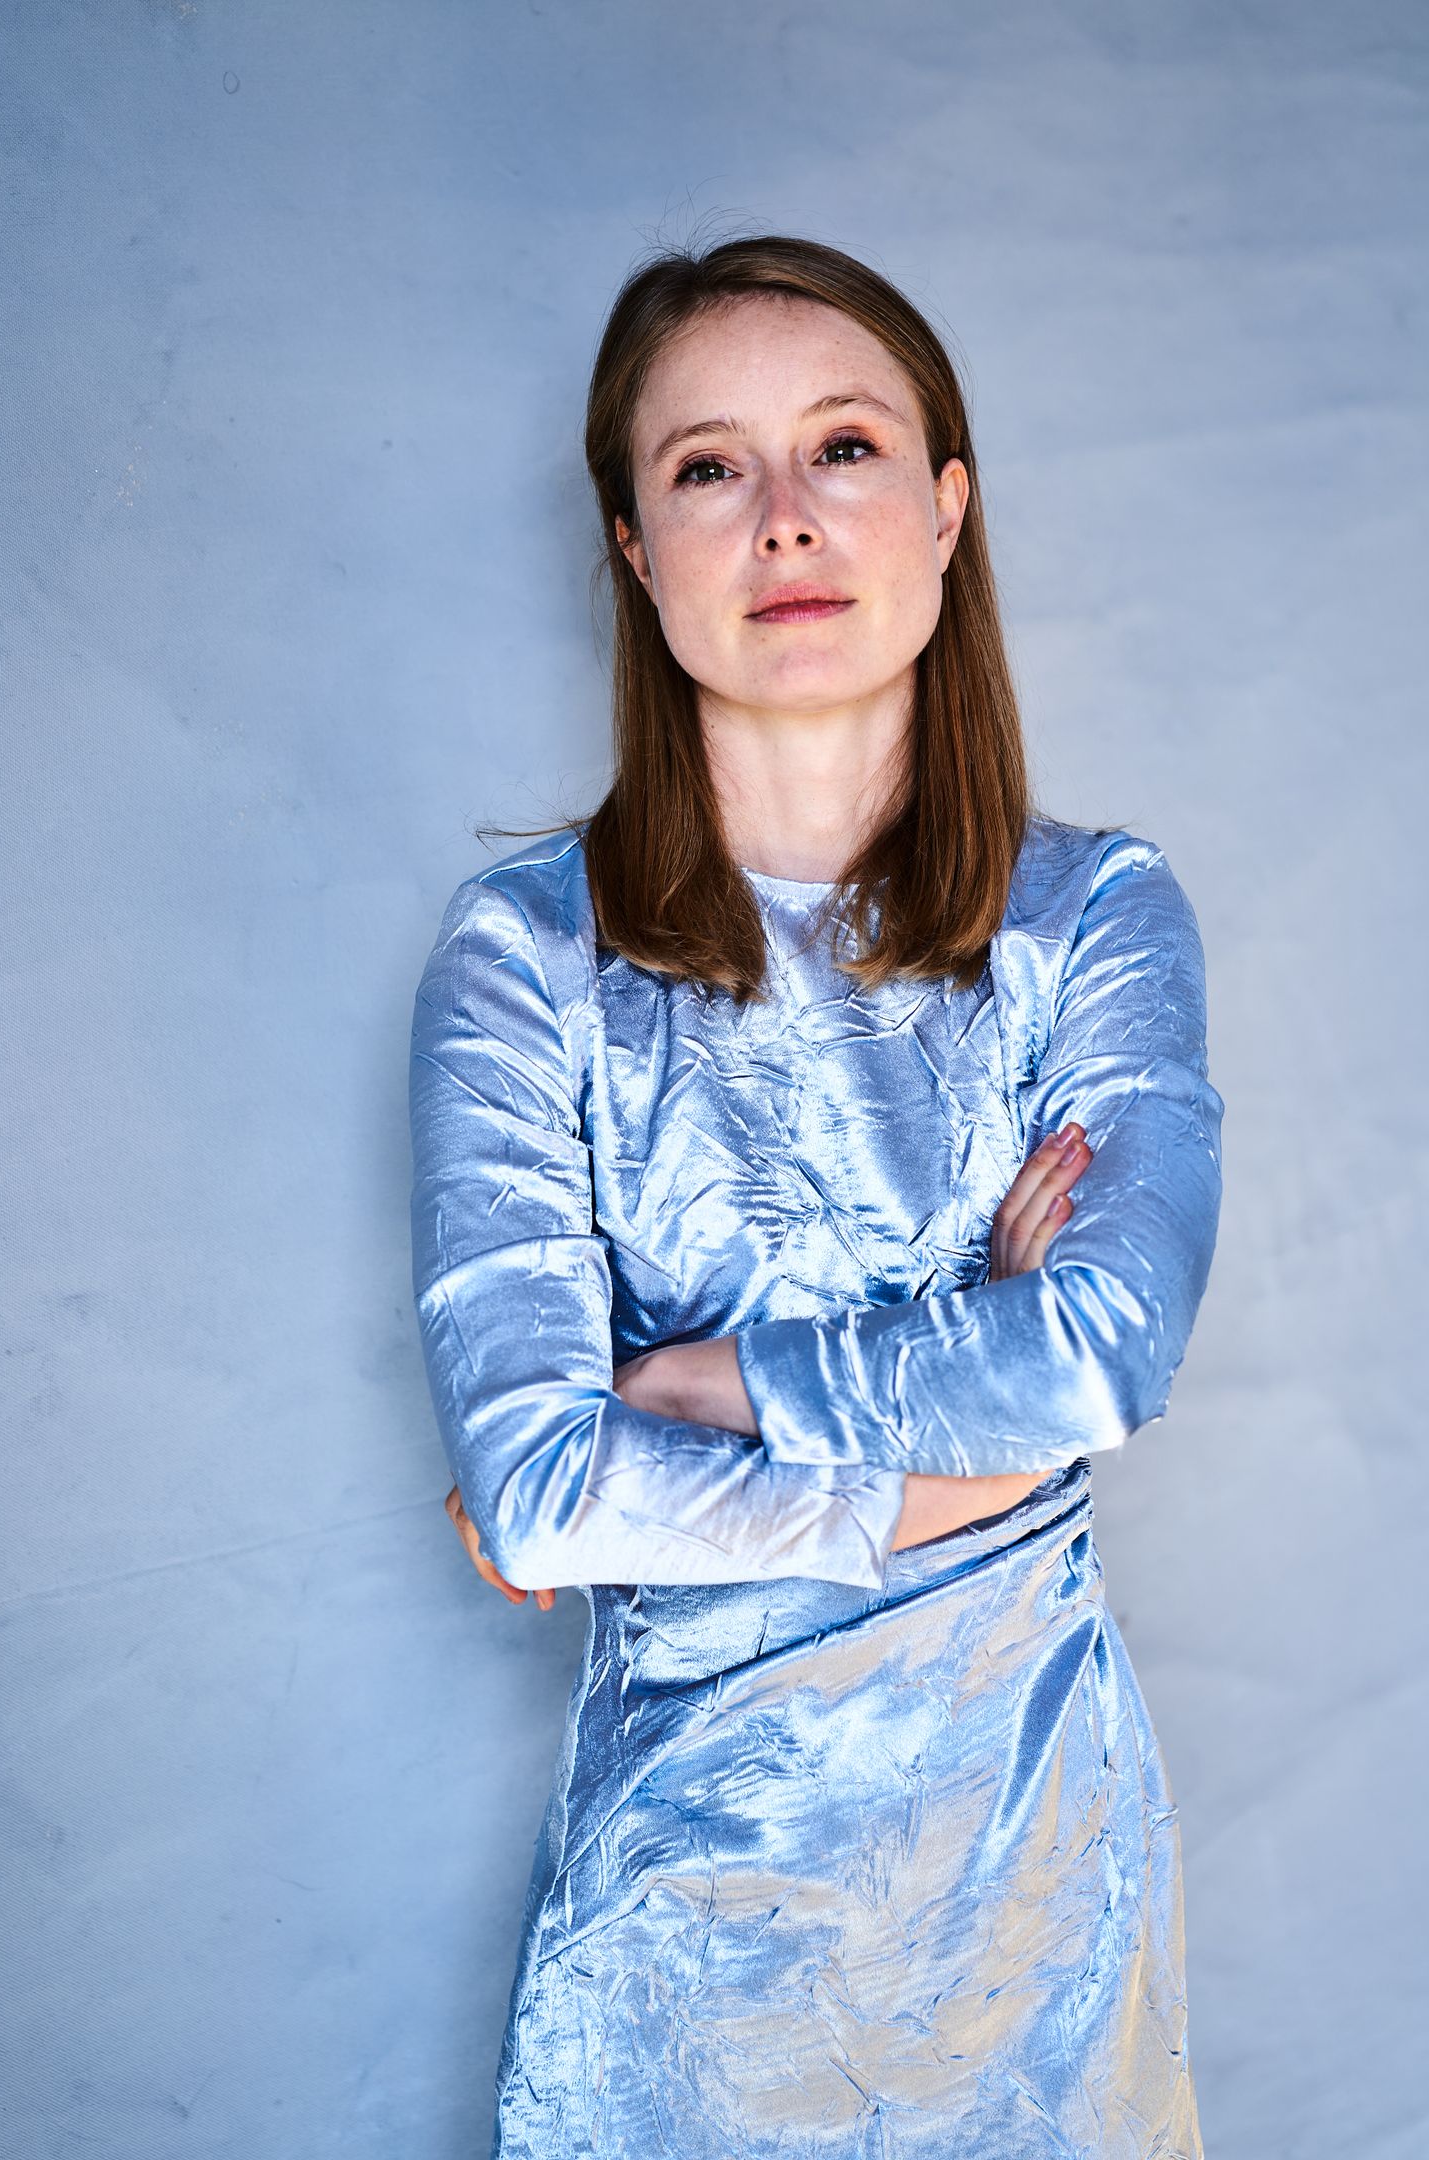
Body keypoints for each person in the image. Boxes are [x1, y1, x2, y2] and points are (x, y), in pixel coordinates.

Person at [408, 233, 1224, 2158]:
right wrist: (979, 1452)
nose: (784, 516)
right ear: (636, 546)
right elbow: (539, 1493)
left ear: (945, 509)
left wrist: (707, 1387)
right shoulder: (525, 960)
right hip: (684, 1936)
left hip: (1031, 1899)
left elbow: (1104, 1352)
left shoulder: (1095, 918)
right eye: (710, 467)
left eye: (843, 446)